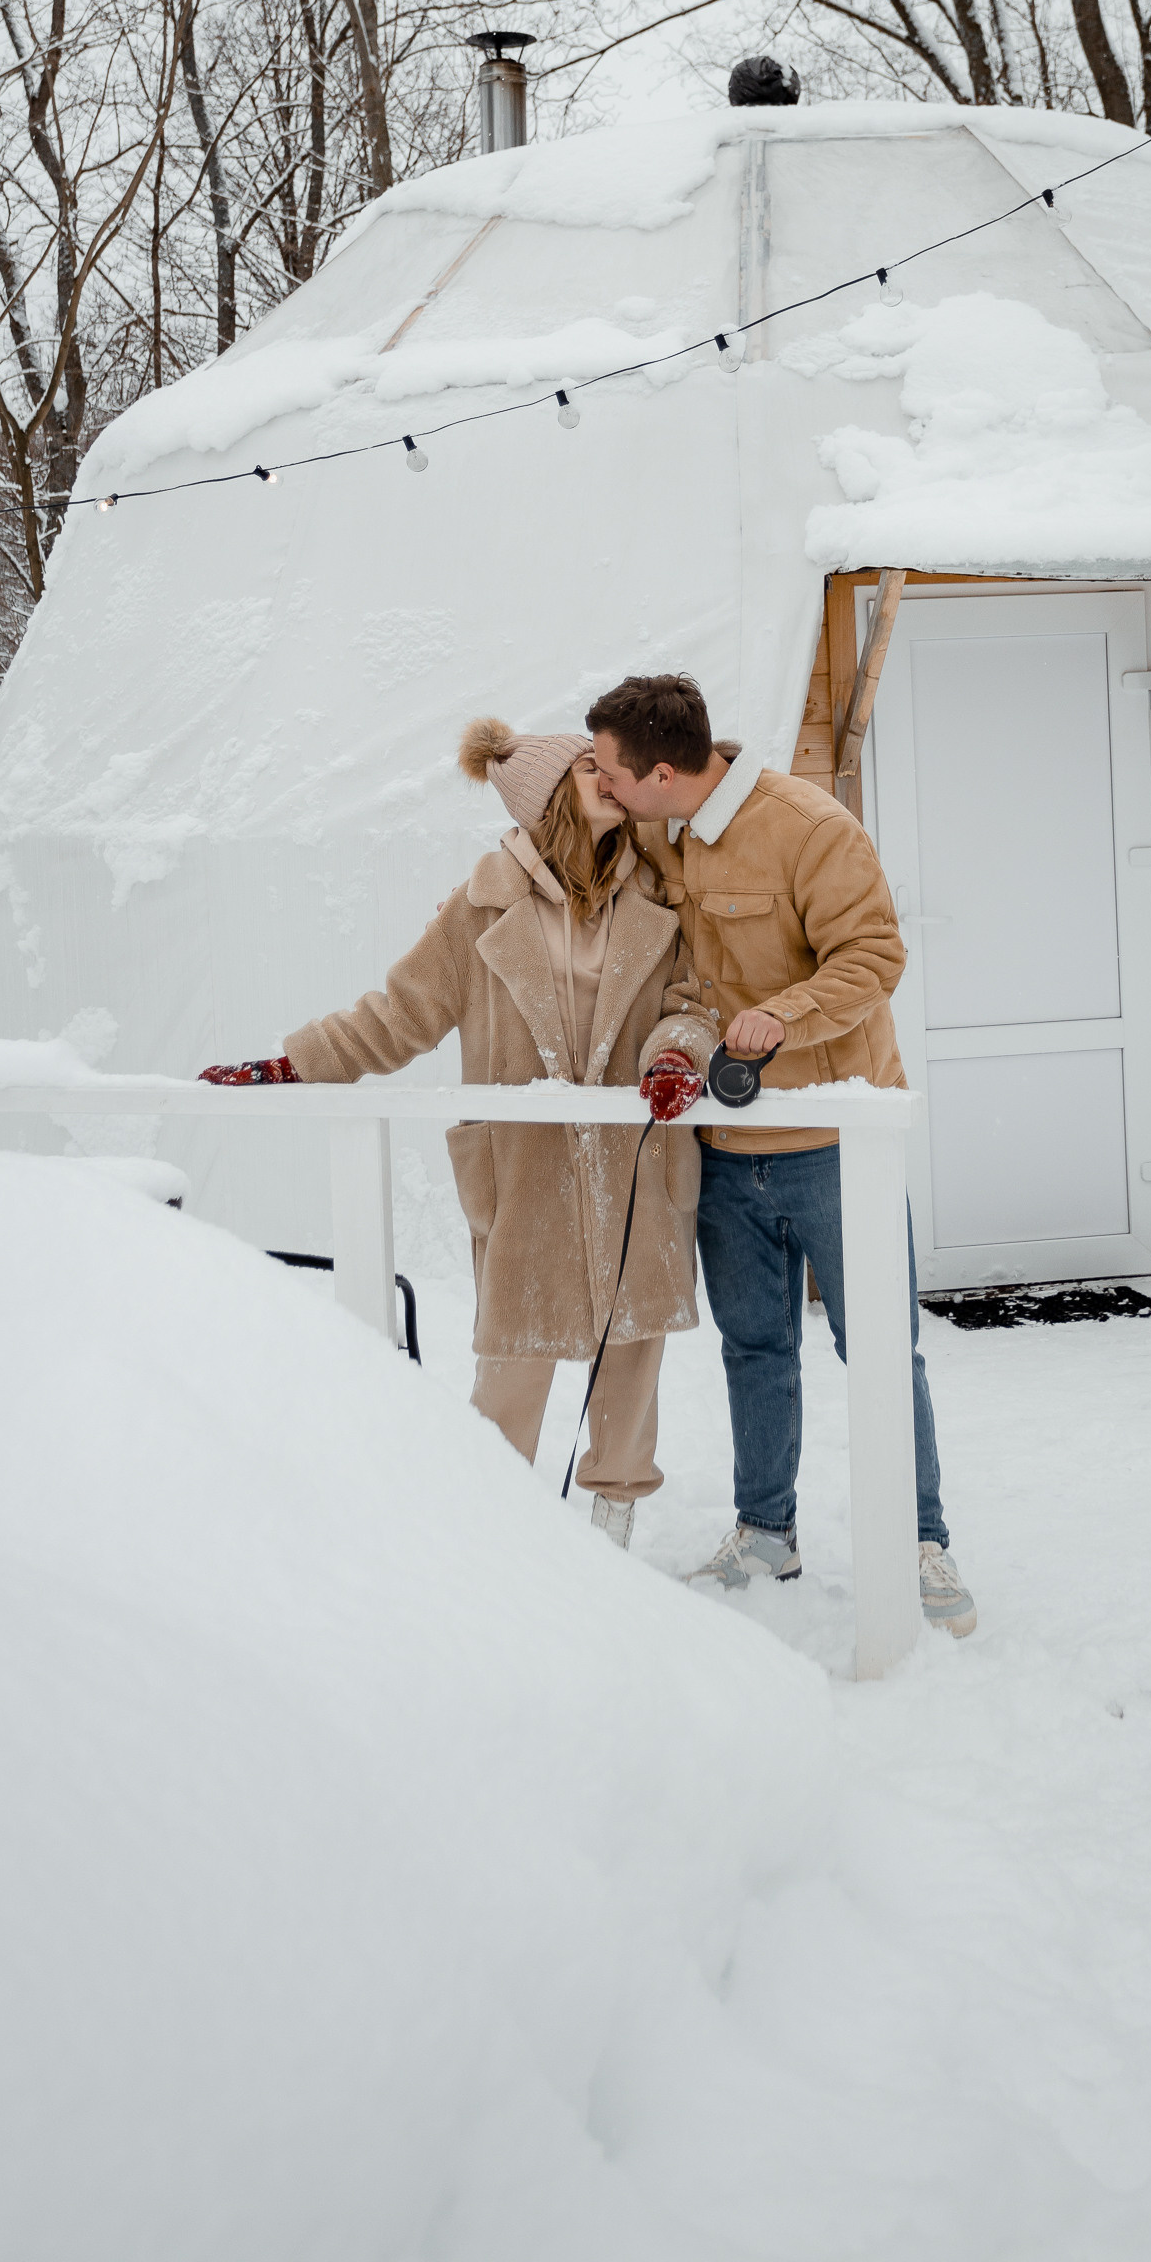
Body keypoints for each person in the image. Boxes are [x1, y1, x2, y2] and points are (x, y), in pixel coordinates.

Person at [201, 720, 713, 1546]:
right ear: (549, 798)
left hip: (635, 1166)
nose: (610, 777)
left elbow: (693, 1003)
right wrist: (295, 1061)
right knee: (513, 1366)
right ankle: (497, 1545)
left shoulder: (659, 890)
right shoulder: (478, 911)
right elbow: (400, 1015)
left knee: (632, 1355)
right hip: (524, 1171)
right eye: (590, 769)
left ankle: (614, 1530)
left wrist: (673, 1057)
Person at [586, 671, 978, 1636]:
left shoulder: (808, 829)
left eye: (611, 772)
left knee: (878, 1347)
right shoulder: (656, 828)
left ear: (665, 772)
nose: (602, 787)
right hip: (725, 1145)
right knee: (753, 1348)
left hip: (835, 1143)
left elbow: (875, 956)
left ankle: (922, 1541)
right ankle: (767, 1533)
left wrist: (783, 1015)